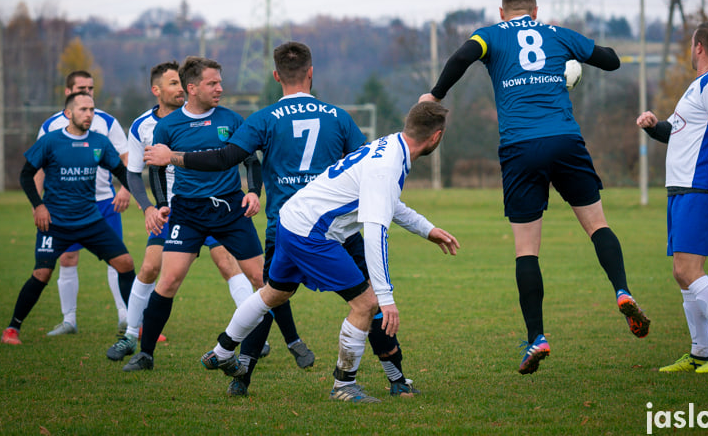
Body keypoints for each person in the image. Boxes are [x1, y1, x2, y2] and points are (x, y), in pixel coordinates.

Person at [146, 41, 420, 397]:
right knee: (369, 299)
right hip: (336, 227)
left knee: (271, 296)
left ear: (276, 76)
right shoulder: (338, 116)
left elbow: (225, 158)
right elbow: (367, 168)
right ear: (310, 72)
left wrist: (175, 158)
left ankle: (240, 375)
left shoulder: (262, 119)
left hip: (286, 228)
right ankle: (396, 380)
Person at [419, 0, 650, 376]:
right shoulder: (557, 34)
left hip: (520, 147)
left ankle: (538, 337)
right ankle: (623, 291)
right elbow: (611, 61)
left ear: (502, 11)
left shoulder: (489, 35)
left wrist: (434, 94)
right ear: (536, 11)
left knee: (527, 250)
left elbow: (461, 56)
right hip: (565, 139)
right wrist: (574, 54)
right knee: (598, 225)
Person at [195, 102, 458, 403]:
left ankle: (222, 350)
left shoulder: (386, 145)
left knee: (274, 294)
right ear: (436, 137)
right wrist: (386, 298)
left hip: (291, 218)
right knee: (366, 304)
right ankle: (343, 386)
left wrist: (426, 228)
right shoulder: (388, 165)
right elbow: (374, 233)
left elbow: (385, 200)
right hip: (312, 233)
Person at [105, 61, 255, 361]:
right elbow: (136, 172)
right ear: (157, 90)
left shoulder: (221, 118)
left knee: (228, 263)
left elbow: (240, 158)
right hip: (176, 210)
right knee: (152, 269)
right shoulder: (146, 126)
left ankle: (249, 334)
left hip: (217, 206)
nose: (177, 89)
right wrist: (151, 207)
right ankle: (132, 337)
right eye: (171, 84)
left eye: (178, 82)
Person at [637, 21, 708, 373]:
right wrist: (655, 125)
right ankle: (700, 350)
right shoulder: (697, 87)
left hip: (701, 189)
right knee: (681, 272)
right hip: (683, 188)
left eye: (690, 45)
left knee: (689, 269)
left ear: (698, 47)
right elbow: (677, 133)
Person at [2, 92, 137, 345]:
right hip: (55, 224)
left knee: (126, 263)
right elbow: (25, 175)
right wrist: (38, 206)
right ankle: (12, 329)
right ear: (69, 113)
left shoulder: (99, 142)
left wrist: (133, 192)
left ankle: (136, 325)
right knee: (42, 273)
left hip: (90, 221)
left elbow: (122, 172)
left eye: (92, 110)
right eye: (83, 109)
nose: (89, 114)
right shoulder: (51, 141)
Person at [35, 70, 131, 336]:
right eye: (81, 88)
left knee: (118, 259)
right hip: (65, 206)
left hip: (104, 202)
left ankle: (126, 317)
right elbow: (38, 168)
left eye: (91, 88)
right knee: (67, 258)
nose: (88, 92)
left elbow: (125, 157)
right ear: (68, 93)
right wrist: (38, 204)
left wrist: (125, 188)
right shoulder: (51, 126)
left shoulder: (107, 122)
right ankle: (69, 320)